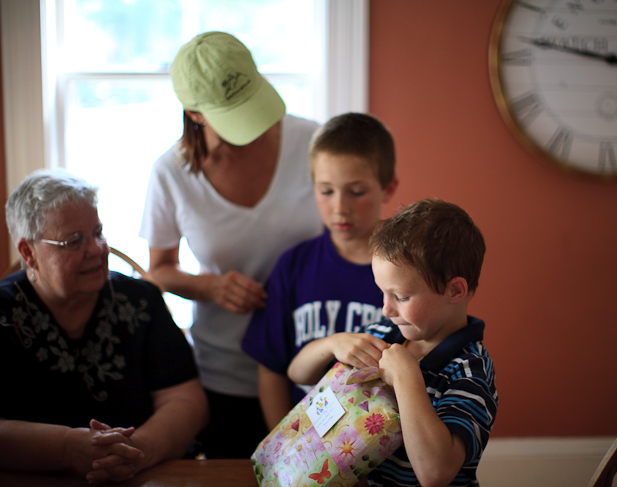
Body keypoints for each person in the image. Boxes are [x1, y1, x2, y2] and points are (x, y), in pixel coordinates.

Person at [139, 31, 323, 458]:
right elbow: (158, 270)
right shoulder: (170, 174)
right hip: (226, 374)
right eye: (236, 114)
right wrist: (211, 287)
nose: (258, 126)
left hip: (313, 368)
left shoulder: (315, 142)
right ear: (195, 114)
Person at [0, 170, 208, 484]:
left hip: (148, 476)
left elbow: (187, 401)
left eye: (98, 232)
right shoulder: (3, 313)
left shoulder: (141, 302)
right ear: (28, 253)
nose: (97, 249)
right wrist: (67, 448)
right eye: (74, 241)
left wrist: (140, 449)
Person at [288, 198, 498, 487]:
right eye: (382, 293)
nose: (386, 309)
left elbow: (435, 473)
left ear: (455, 290)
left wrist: (407, 377)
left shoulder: (470, 371)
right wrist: (332, 343)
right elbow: (298, 373)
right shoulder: (381, 332)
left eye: (401, 297)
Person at [242, 112, 399, 429]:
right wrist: (281, 442)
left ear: (388, 188)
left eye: (356, 192)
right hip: (302, 447)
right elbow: (271, 367)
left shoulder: (408, 270)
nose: (340, 207)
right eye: (326, 191)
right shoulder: (294, 266)